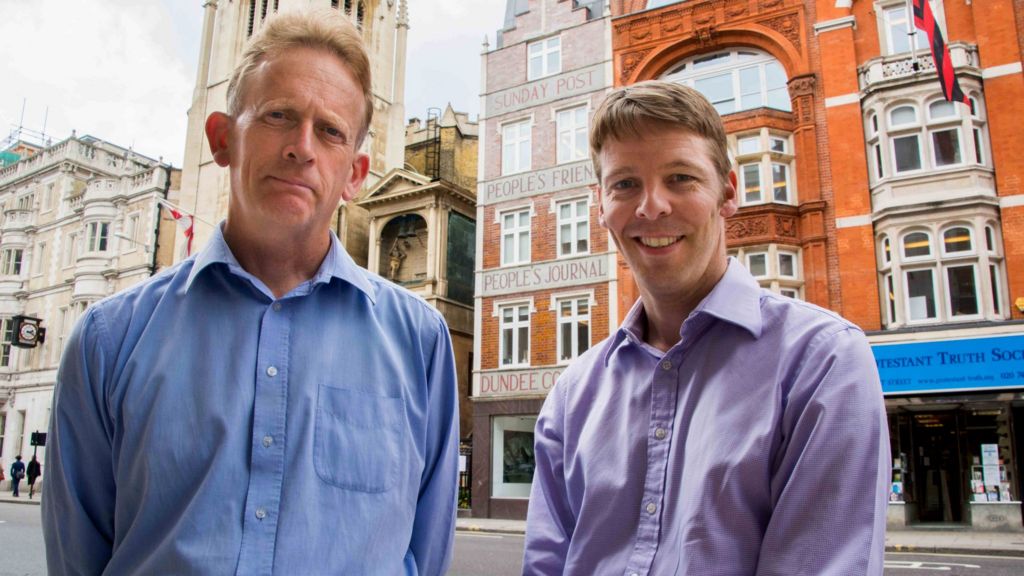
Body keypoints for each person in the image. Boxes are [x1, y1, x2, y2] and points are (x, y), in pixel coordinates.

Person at [42, 9, 458, 575]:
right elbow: (78, 557)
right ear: (221, 138)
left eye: (330, 130)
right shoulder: (109, 340)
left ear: (356, 173)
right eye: (277, 116)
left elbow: (424, 555)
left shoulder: (419, 342)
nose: (302, 147)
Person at [522, 81, 890, 575]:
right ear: (602, 206)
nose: (651, 206)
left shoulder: (820, 361)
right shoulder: (573, 394)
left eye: (680, 177)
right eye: (625, 184)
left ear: (728, 192)